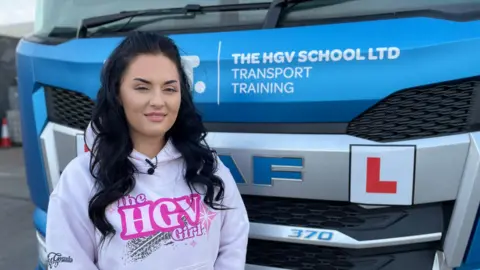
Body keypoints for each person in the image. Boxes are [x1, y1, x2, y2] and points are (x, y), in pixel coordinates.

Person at [45, 31, 249, 270]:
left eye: (169, 89)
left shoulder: (207, 167)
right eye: (142, 88)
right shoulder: (80, 178)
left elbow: (233, 244)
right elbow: (68, 262)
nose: (158, 101)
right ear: (118, 93)